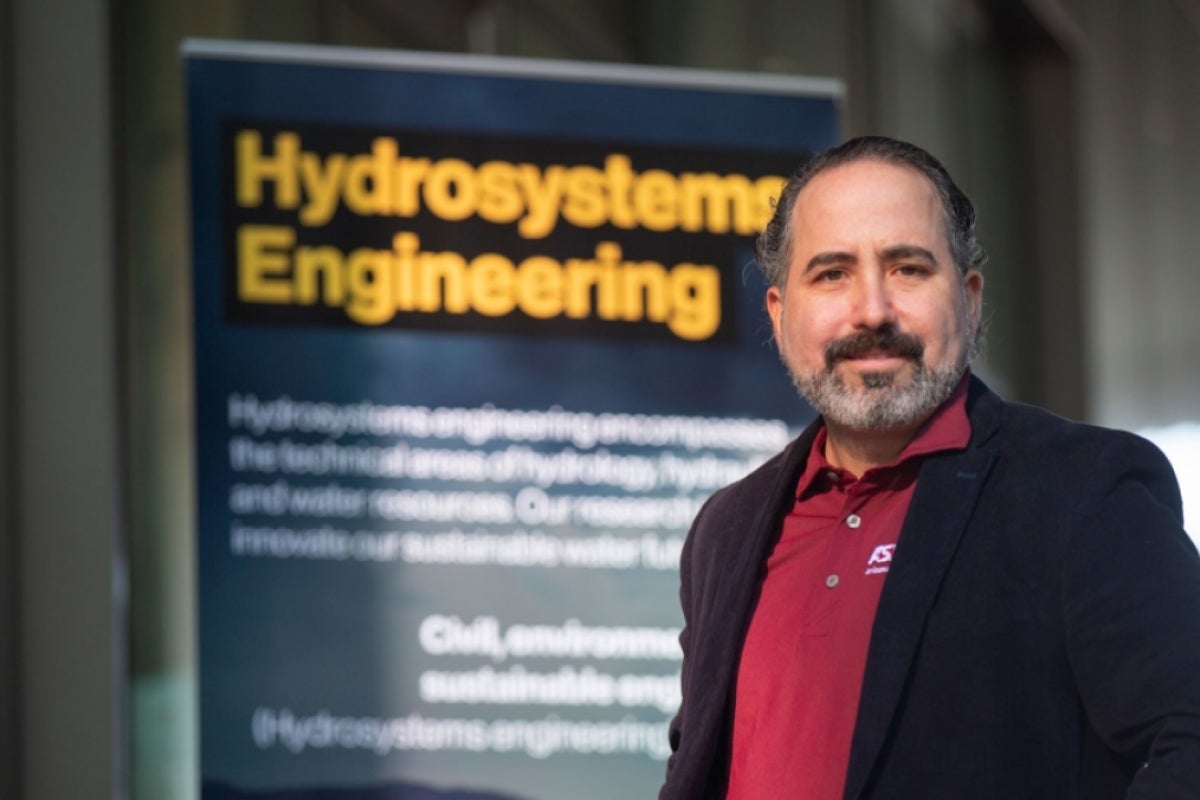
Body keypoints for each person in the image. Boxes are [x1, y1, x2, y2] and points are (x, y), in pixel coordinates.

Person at [659, 135, 1200, 800]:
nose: (873, 311)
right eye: (831, 274)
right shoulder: (726, 530)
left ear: (969, 299)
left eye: (908, 268)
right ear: (779, 315)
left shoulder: (1083, 492)